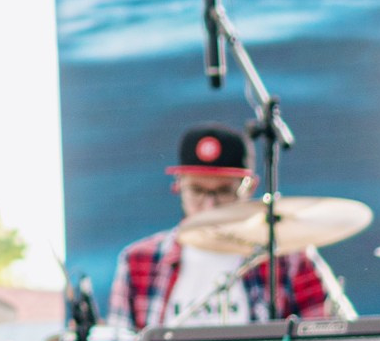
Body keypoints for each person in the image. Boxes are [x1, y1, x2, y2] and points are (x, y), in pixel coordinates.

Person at [107, 125, 354, 329]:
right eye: (197, 190)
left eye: (224, 191)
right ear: (178, 185)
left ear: (251, 187)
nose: (210, 204)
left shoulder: (289, 258)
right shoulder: (138, 261)